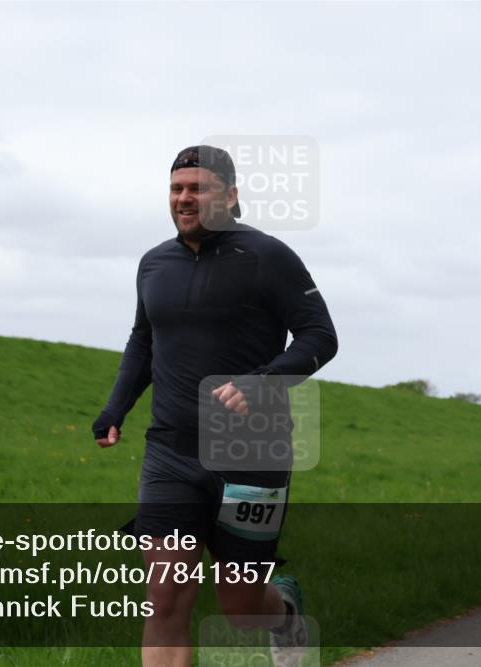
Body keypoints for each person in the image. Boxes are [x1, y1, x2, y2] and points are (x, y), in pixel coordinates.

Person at [92, 145, 338, 666]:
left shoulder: (268, 256)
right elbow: (144, 341)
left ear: (229, 195)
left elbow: (320, 335)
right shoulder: (153, 263)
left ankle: (286, 612)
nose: (184, 198)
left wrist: (262, 381)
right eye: (177, 189)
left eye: (196, 188)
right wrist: (116, 409)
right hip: (170, 453)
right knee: (165, 600)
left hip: (252, 453)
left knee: (241, 610)